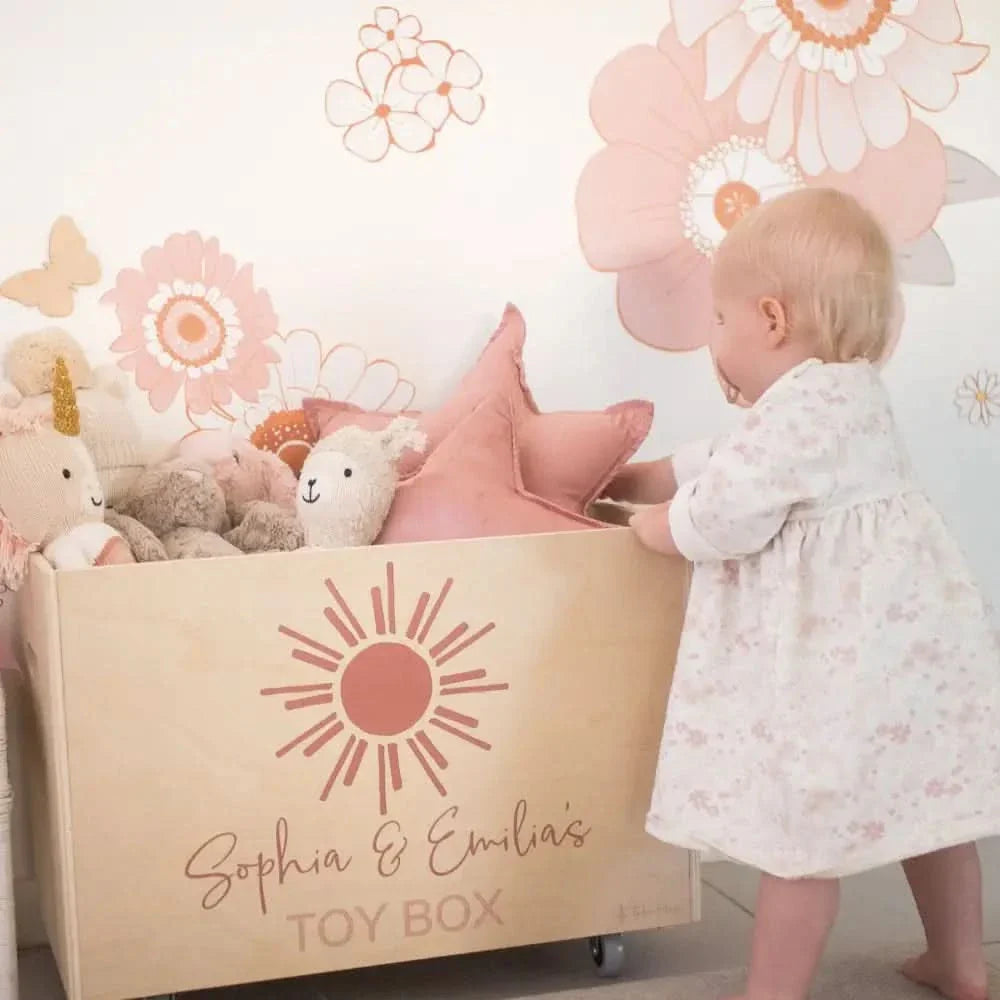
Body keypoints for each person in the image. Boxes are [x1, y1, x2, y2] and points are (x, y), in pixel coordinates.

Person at [609, 187, 1000, 1000]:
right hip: (906, 662)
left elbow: (724, 515)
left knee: (799, 842)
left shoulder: (799, 413)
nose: (714, 337)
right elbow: (730, 458)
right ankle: (961, 964)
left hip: (833, 677)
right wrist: (644, 474)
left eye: (720, 319)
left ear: (771, 320)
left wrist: (650, 526)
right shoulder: (844, 394)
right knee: (930, 811)